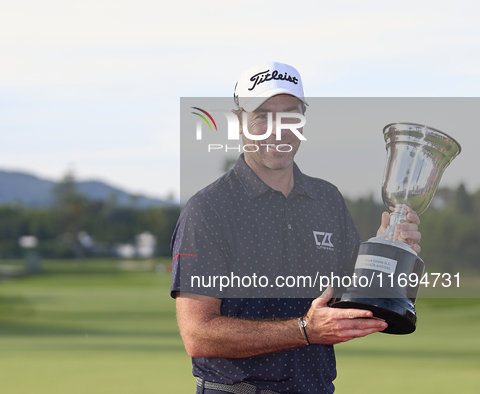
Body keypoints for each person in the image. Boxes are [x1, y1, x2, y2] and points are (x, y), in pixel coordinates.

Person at [170, 61, 422, 394]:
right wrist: (305, 330)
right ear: (239, 121)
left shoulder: (327, 199)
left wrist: (389, 249)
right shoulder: (209, 210)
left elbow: (347, 301)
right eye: (263, 116)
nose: (278, 129)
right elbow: (197, 334)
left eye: (290, 114)